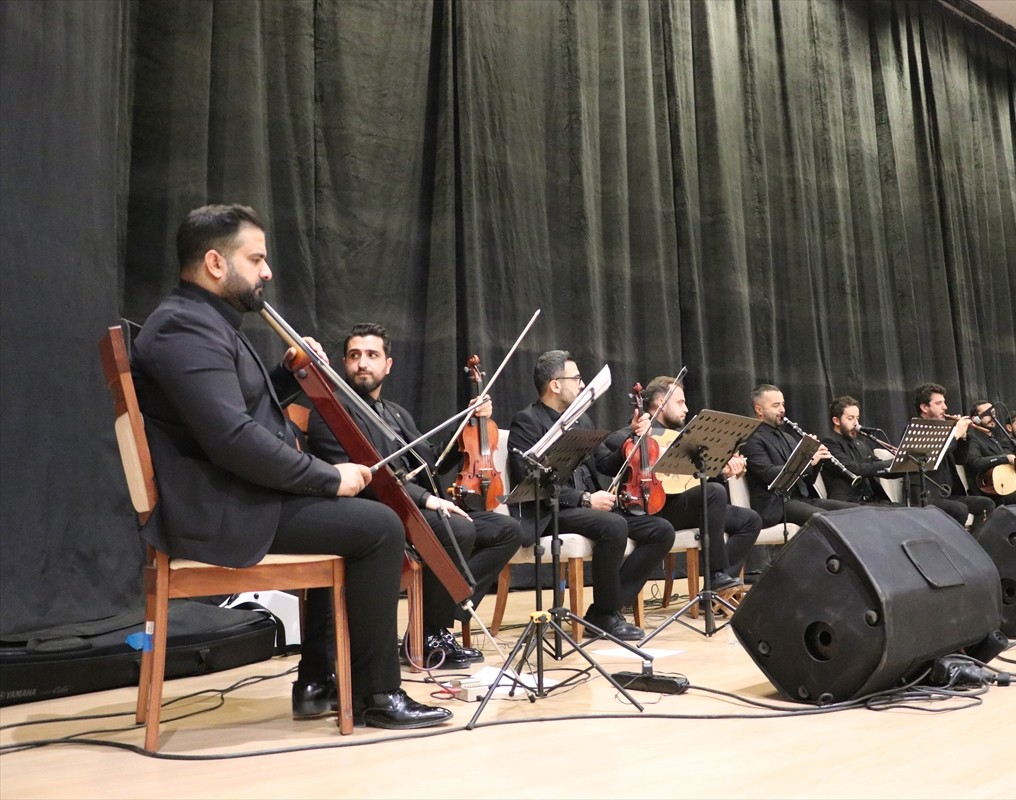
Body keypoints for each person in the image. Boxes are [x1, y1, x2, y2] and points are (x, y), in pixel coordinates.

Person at [130, 204, 450, 729]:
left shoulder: (200, 321)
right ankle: (376, 693)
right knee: (378, 527)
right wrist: (328, 478)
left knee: (362, 519)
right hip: (223, 510)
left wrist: (283, 376)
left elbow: (232, 413)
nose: (267, 272)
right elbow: (232, 440)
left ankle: (321, 679)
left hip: (236, 497)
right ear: (215, 263)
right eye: (256, 259)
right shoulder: (184, 328)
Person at [306, 323, 521, 669]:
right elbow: (366, 477)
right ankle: (429, 632)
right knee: (459, 529)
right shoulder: (332, 412)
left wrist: (466, 426)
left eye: (372, 355)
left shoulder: (396, 413)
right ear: (344, 362)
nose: (362, 363)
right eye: (355, 355)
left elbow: (432, 460)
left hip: (415, 506)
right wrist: (426, 499)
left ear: (388, 365)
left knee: (507, 530)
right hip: (378, 511)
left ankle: (435, 621)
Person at [506, 350, 674, 640]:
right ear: (555, 385)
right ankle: (606, 614)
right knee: (614, 525)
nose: (582, 385)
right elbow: (530, 480)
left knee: (661, 531)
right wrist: (585, 499)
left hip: (589, 508)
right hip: (552, 511)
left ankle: (605, 607)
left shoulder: (581, 421)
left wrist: (633, 439)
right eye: (577, 379)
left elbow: (605, 463)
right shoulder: (527, 421)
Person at [603, 375, 762, 594]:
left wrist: (723, 471)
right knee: (713, 492)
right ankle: (716, 575)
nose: (686, 409)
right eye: (680, 402)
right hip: (654, 508)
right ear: (661, 403)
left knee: (750, 520)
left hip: (684, 506)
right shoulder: (634, 431)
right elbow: (612, 442)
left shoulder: (684, 438)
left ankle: (718, 587)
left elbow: (697, 480)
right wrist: (640, 436)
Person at [741, 384, 858, 528]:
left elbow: (807, 480)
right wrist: (806, 461)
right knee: (827, 520)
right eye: (776, 405)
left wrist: (816, 459)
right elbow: (769, 474)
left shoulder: (788, 437)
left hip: (801, 499)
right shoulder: (751, 438)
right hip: (776, 506)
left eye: (783, 404)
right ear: (759, 409)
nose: (782, 409)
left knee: (855, 511)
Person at [908, 383, 995, 528]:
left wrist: (963, 436)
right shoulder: (915, 430)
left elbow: (960, 459)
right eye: (938, 403)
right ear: (924, 408)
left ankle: (976, 540)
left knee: (986, 504)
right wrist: (956, 434)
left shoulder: (945, 429)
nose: (945, 407)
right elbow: (931, 457)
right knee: (959, 510)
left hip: (948, 494)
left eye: (944, 402)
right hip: (927, 495)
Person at [820, 395, 899, 504]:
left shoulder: (860, 444)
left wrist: (903, 465)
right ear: (836, 420)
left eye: (857, 418)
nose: (856, 423)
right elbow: (854, 469)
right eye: (850, 418)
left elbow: (880, 468)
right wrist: (893, 462)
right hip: (849, 504)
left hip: (874, 501)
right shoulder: (829, 443)